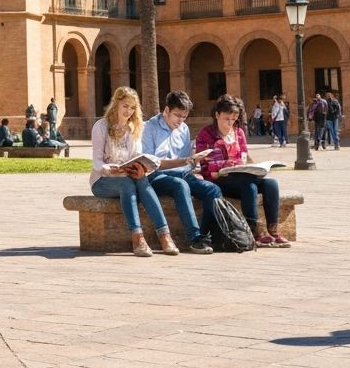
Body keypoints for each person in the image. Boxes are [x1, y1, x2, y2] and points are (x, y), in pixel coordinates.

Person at [90, 86, 178, 258]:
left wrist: (142, 167)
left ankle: (165, 235)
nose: (129, 111)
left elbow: (136, 156)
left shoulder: (134, 128)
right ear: (116, 104)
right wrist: (108, 169)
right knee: (127, 184)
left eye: (132, 107)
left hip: (127, 175)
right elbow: (96, 162)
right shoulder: (100, 126)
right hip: (102, 181)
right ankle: (137, 237)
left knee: (142, 180)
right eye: (125, 106)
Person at [195, 94, 290, 247]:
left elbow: (244, 156)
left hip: (241, 177)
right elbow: (207, 165)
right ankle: (254, 233)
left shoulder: (238, 132)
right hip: (219, 180)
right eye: (227, 119)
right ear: (217, 115)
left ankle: (274, 231)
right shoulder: (206, 134)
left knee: (271, 183)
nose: (230, 123)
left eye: (233, 119)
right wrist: (227, 164)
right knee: (249, 185)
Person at [142, 90, 220, 254]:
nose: (181, 121)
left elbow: (186, 161)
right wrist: (184, 162)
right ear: (166, 111)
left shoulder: (183, 129)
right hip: (157, 176)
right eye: (177, 115)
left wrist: (195, 163)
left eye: (184, 117)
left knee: (213, 189)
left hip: (182, 173)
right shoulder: (149, 128)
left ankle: (204, 235)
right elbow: (150, 164)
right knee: (180, 185)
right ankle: (194, 238)